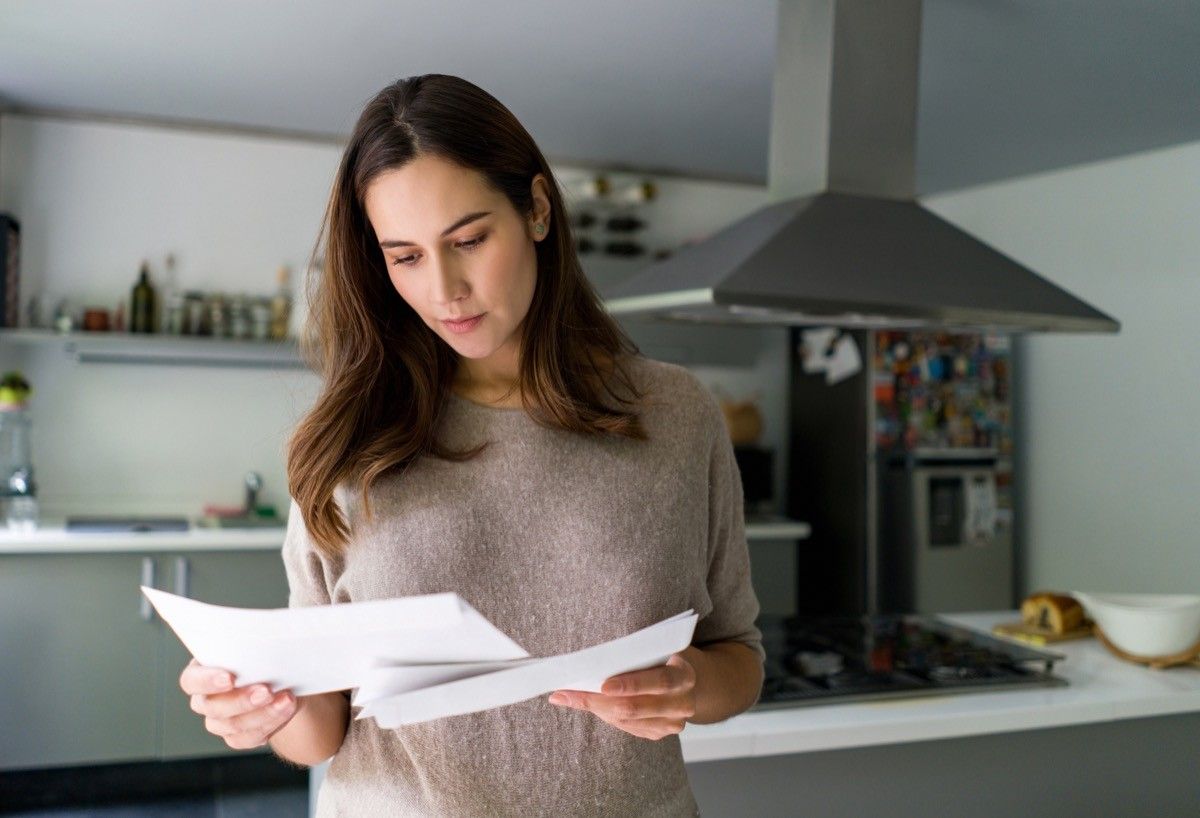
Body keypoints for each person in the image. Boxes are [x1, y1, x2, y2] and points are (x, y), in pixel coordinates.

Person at [179, 73, 764, 817]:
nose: (444, 289)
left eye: (469, 240)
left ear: (538, 211)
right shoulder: (345, 438)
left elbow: (739, 655)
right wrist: (257, 705)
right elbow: (319, 729)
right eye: (406, 256)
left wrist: (691, 687)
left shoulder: (676, 415)